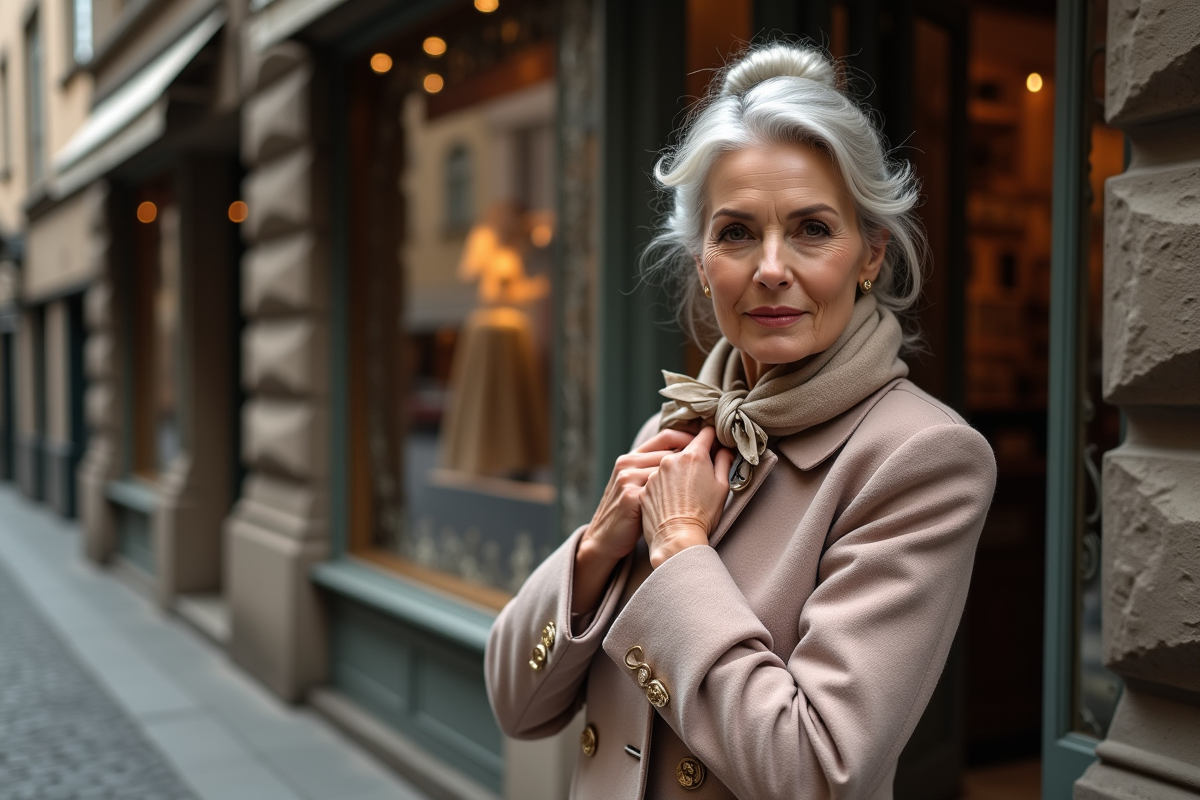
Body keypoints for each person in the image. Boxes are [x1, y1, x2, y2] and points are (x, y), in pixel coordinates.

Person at [484, 41, 996, 800]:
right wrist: (596, 549)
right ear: (701, 262)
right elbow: (516, 707)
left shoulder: (922, 458)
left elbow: (818, 771)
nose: (770, 267)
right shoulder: (676, 427)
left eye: (813, 228)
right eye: (736, 232)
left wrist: (681, 548)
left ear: (870, 254)